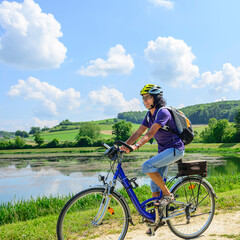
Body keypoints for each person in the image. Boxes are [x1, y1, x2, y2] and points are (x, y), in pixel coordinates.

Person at [120, 84, 185, 234]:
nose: (145, 100)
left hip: (175, 149)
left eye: (148, 97)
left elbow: (150, 134)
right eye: (143, 98)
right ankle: (157, 221)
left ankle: (168, 195)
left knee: (147, 166)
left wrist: (135, 147)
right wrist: (123, 146)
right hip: (164, 150)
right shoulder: (149, 115)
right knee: (154, 186)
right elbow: (138, 132)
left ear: (156, 98)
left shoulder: (163, 112)